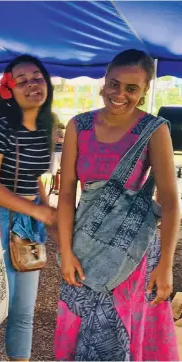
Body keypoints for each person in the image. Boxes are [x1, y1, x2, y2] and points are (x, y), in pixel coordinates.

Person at [55, 49, 179, 361]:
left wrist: (165, 266)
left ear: (145, 90)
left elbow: (171, 201)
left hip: (130, 254)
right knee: (78, 324)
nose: (119, 94)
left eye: (131, 88)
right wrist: (66, 252)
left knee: (119, 330)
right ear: (104, 81)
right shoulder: (79, 126)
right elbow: (67, 193)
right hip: (84, 245)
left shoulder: (154, 130)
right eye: (114, 84)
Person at [0, 55, 58, 361]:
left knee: (24, 309)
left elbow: (35, 178)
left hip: (27, 222)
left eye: (37, 77)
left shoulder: (48, 125)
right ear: (8, 89)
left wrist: (46, 208)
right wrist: (35, 211)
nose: (32, 85)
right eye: (22, 81)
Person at [49, 114, 65, 194]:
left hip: (58, 152)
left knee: (56, 170)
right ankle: (56, 187)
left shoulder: (58, 130)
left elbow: (62, 140)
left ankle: (57, 187)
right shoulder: (52, 130)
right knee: (55, 171)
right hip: (56, 152)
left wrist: (56, 139)